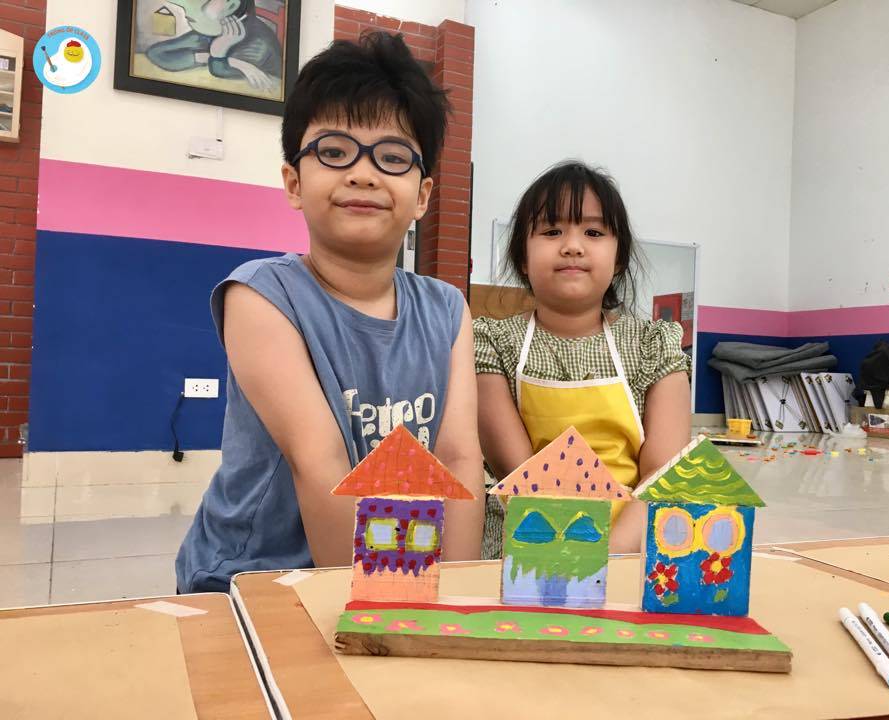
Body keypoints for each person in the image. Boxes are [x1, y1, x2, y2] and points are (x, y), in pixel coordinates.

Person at [176, 32, 484, 593]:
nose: (363, 173)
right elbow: (320, 465)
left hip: (405, 573)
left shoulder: (447, 309)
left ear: (422, 196)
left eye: (393, 157)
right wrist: (376, 611)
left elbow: (459, 459)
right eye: (335, 152)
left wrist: (452, 596)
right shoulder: (260, 296)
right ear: (294, 182)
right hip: (254, 578)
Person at [474, 161, 691, 557]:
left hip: (629, 547)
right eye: (551, 231)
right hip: (526, 544)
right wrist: (571, 561)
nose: (572, 245)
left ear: (619, 257)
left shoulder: (653, 346)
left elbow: (663, 478)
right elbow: (518, 471)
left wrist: (610, 556)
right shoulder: (492, 344)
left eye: (593, 232)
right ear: (522, 257)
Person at [147, 0, 282, 93]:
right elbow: (155, 53)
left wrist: (218, 54)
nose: (182, 5)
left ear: (231, 5)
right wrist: (212, 57)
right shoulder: (208, 33)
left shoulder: (260, 43)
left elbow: (219, 70)